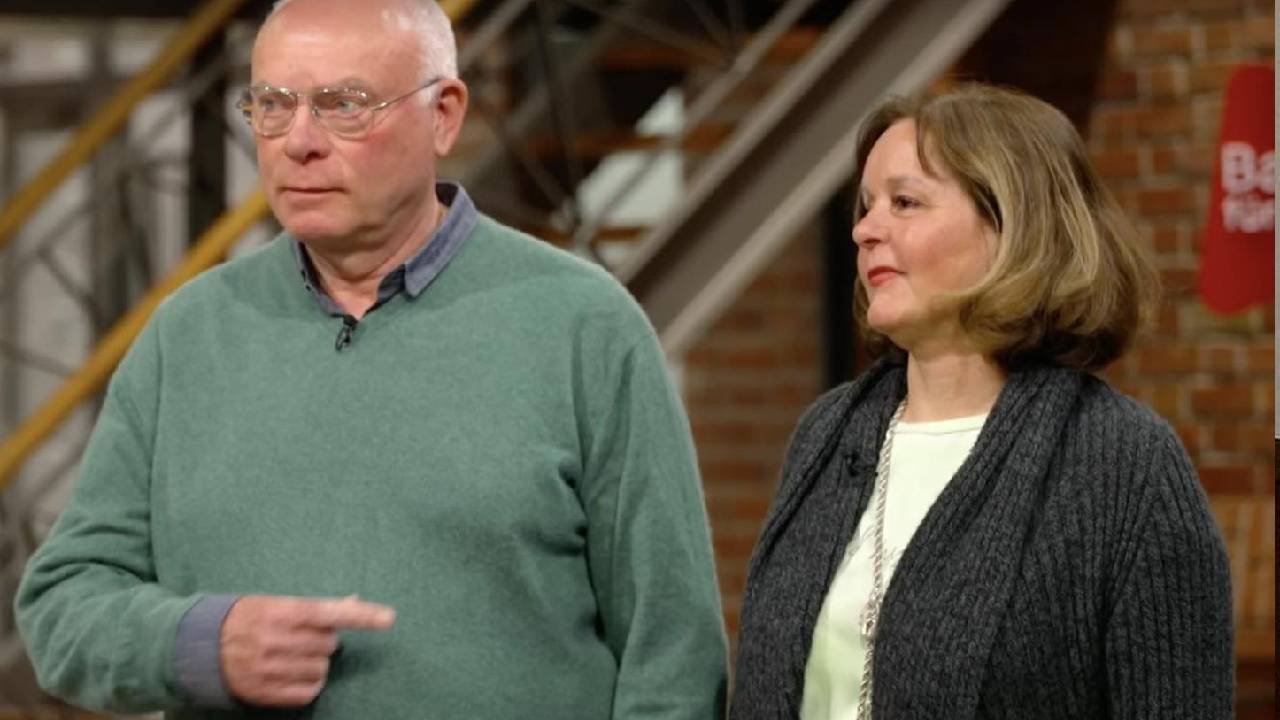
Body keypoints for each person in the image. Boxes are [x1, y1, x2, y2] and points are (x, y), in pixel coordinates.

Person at [15, 1, 727, 717]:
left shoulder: (585, 326)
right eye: (273, 105)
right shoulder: (188, 335)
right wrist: (202, 643)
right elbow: (62, 604)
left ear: (443, 115)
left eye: (344, 105)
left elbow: (674, 661)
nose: (300, 142)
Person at [730, 84, 1233, 719]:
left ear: (1012, 227)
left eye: (905, 202)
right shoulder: (829, 432)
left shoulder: (1125, 465)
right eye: (866, 205)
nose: (864, 230)